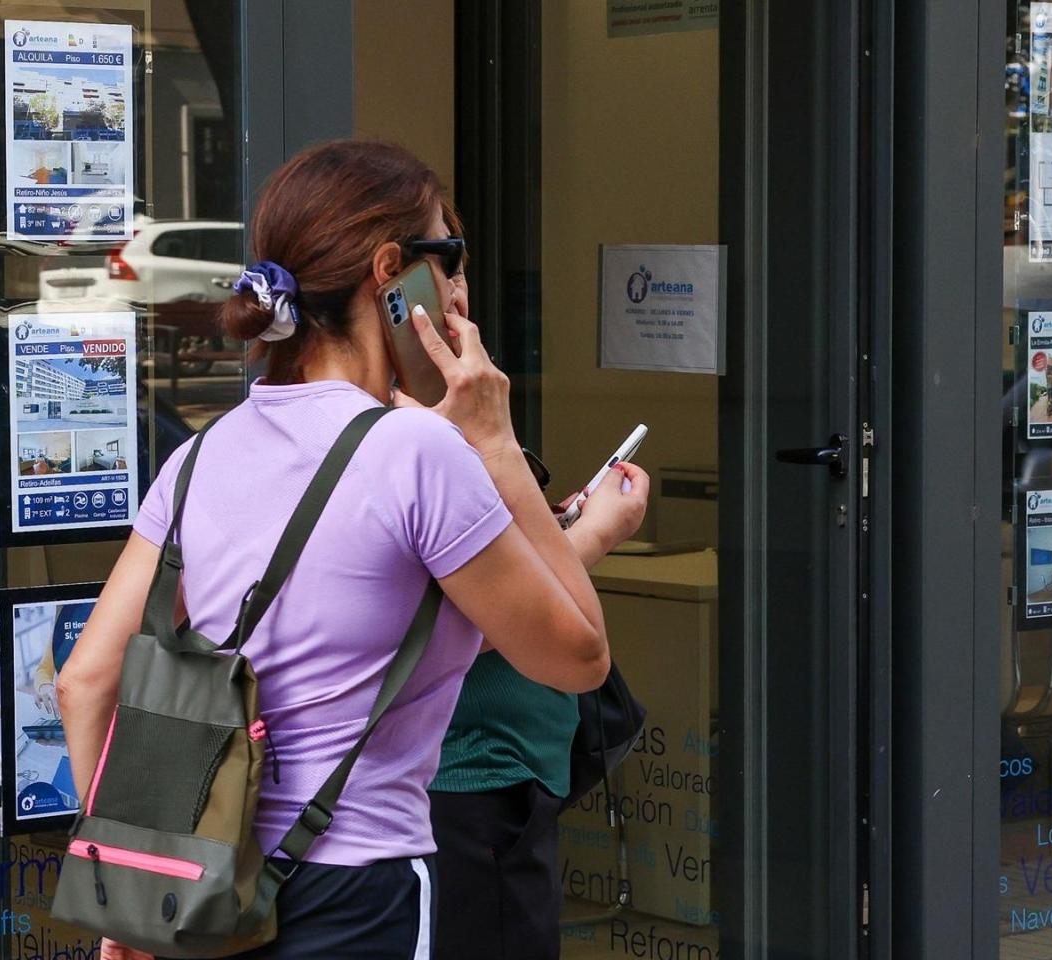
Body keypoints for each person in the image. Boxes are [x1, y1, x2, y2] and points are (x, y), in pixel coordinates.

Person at [58, 139, 649, 960]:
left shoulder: (201, 454)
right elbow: (578, 658)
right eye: (451, 257)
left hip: (209, 890)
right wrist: (496, 443)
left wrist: (132, 881)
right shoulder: (418, 452)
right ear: (391, 274)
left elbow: (85, 681)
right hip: (361, 888)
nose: (461, 289)